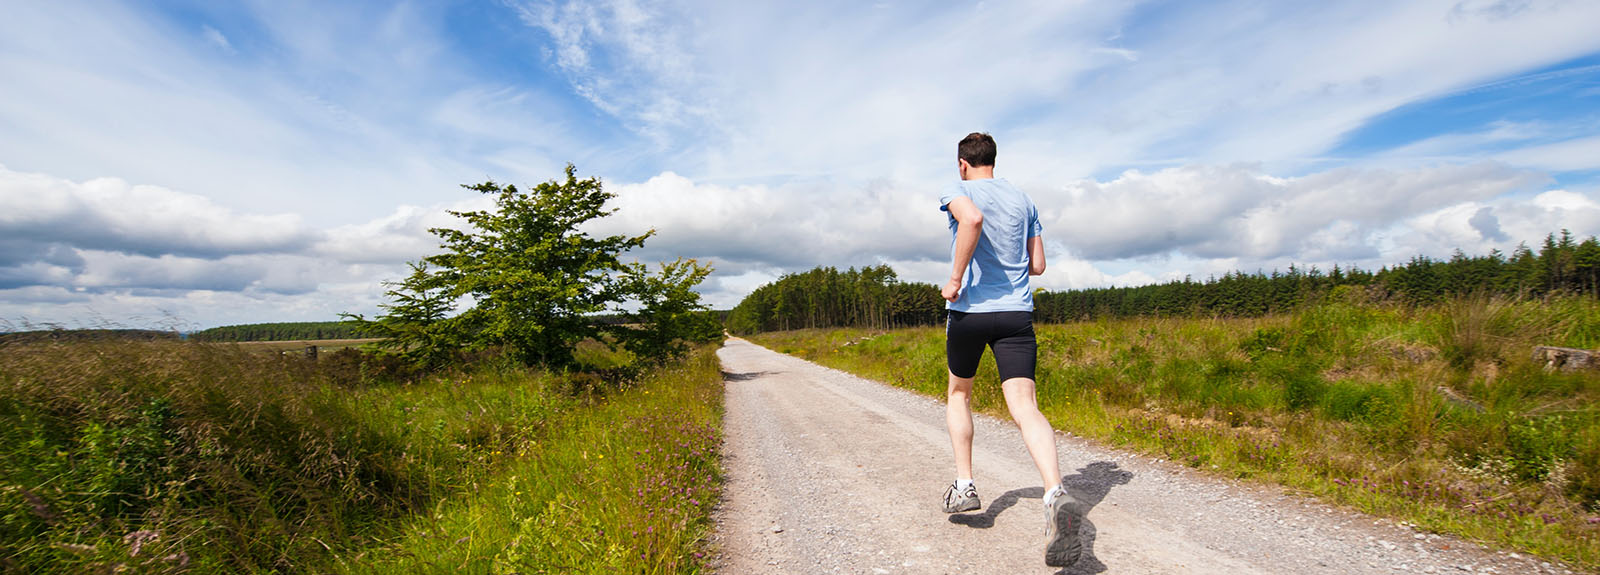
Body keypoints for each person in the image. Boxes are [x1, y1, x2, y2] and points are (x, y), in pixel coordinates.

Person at [938, 132, 1080, 567]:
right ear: (993, 161)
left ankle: (965, 486)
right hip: (1017, 314)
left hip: (970, 313)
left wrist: (957, 279)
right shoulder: (1023, 199)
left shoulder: (957, 190)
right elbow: (1037, 265)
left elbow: (972, 220)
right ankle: (1055, 491)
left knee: (960, 393)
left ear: (963, 163)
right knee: (1025, 406)